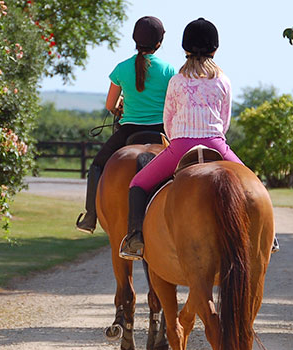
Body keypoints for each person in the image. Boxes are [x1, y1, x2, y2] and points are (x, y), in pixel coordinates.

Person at [119, 18, 244, 260]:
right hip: (216, 144)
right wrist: (213, 137)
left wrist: (178, 140)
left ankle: (135, 238)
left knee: (137, 184)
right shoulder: (223, 81)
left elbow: (168, 120)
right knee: (252, 184)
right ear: (215, 49)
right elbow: (225, 120)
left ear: (185, 49)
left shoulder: (176, 81)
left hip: (181, 146)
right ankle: (268, 237)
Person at [75, 16, 177, 234]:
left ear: (135, 39)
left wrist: (121, 106)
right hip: (161, 131)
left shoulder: (121, 68)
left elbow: (110, 104)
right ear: (159, 42)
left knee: (96, 165)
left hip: (129, 130)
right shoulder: (169, 70)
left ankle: (90, 216)